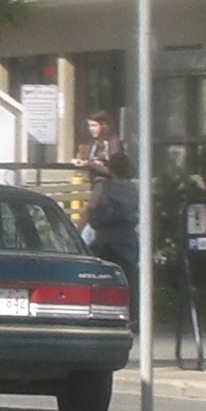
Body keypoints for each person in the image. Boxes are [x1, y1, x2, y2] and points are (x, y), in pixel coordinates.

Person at [87, 151, 139, 321]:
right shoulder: (134, 189)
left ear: (110, 168)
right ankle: (131, 315)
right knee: (128, 279)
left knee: (100, 278)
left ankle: (101, 313)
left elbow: (90, 208)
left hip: (105, 242)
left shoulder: (103, 187)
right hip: (127, 241)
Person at [72, 111, 123, 184]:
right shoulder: (94, 143)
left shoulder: (113, 143)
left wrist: (91, 164)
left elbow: (115, 171)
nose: (91, 129)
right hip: (95, 184)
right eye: (89, 126)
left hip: (110, 185)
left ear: (104, 125)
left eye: (94, 125)